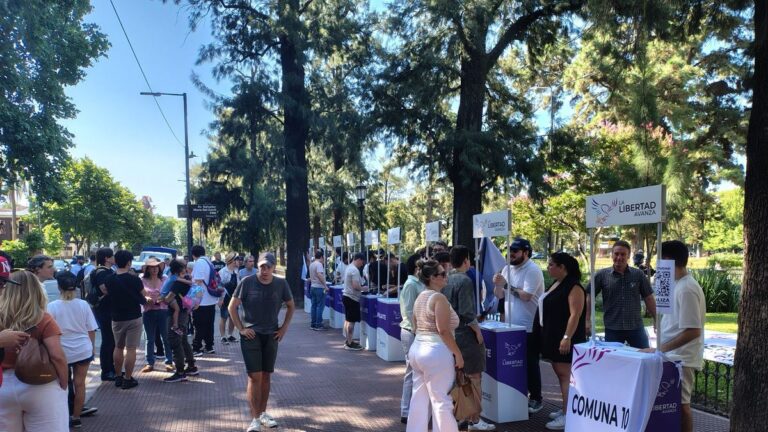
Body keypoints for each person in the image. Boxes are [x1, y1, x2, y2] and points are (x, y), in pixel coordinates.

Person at [228, 252, 295, 432]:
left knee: (266, 375)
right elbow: (232, 307)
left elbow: (291, 305)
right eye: (262, 267)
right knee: (254, 376)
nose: (265, 271)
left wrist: (283, 328)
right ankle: (255, 418)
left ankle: (263, 413)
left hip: (271, 335)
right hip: (251, 336)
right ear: (257, 267)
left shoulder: (281, 283)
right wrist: (241, 329)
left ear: (273, 267)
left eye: (268, 267)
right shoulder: (247, 282)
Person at [644, 240, 705, 432]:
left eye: (659, 258)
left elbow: (693, 331)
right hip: (671, 356)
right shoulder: (676, 283)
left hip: (682, 359)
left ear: (668, 260)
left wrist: (660, 349)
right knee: (671, 404)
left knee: (682, 405)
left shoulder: (687, 289)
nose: (656, 263)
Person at [0, 270, 69, 431]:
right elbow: (57, 355)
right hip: (40, 382)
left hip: (3, 384)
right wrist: (63, 383)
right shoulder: (43, 318)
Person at [406, 259, 463, 432]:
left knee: (419, 398)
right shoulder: (439, 298)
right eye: (443, 274)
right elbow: (443, 330)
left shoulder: (420, 297)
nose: (447, 276)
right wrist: (458, 354)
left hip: (417, 349)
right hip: (435, 352)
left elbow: (415, 326)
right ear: (432, 278)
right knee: (441, 401)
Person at [442, 245, 494, 431]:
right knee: (474, 376)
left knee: (459, 377)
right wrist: (477, 331)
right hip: (465, 335)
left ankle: (462, 415)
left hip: (452, 336)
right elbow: (466, 312)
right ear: (466, 261)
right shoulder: (464, 281)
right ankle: (475, 418)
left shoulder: (446, 280)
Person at [532, 253, 586, 430]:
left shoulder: (574, 286)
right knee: (560, 372)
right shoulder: (557, 283)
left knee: (565, 375)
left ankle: (568, 415)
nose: (548, 268)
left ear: (562, 267)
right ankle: (566, 409)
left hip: (565, 337)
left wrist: (566, 337)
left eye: (551, 265)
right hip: (551, 335)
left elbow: (575, 314)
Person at [492, 237, 545, 413]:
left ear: (526, 252)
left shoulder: (532, 270)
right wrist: (498, 285)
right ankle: (518, 395)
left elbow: (527, 296)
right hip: (509, 324)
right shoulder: (507, 268)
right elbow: (500, 295)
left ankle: (536, 398)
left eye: (515, 251)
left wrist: (507, 285)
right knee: (513, 361)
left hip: (528, 325)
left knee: (530, 362)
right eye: (510, 251)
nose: (511, 254)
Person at [47, 271, 100, 429]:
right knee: (80, 384)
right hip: (83, 349)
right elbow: (91, 329)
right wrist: (91, 349)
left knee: (62, 384)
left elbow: (50, 331)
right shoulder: (83, 305)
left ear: (59, 287)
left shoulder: (52, 307)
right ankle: (76, 417)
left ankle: (62, 416)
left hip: (62, 351)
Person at [586, 240, 657, 348]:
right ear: (612, 255)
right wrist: (587, 320)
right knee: (613, 362)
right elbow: (589, 297)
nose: (619, 257)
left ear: (629, 256)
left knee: (644, 357)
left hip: (635, 327)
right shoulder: (602, 275)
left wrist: (656, 318)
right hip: (612, 328)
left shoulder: (638, 275)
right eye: (616, 254)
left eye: (623, 254)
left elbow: (649, 298)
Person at [106, 250, 146, 390]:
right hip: (133, 316)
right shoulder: (134, 279)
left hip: (116, 317)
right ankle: (128, 379)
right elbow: (144, 295)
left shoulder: (109, 279)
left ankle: (118, 376)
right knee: (131, 349)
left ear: (115, 262)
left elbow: (107, 293)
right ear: (129, 262)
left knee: (118, 347)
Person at [398, 253, 425, 424]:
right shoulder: (410, 285)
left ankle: (411, 410)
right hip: (411, 332)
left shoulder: (416, 283)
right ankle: (406, 411)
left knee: (415, 372)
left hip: (415, 332)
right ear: (416, 268)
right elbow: (409, 311)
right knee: (411, 372)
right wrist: (417, 331)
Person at [163, 259, 199, 382]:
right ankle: (191, 366)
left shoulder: (177, 282)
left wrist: (160, 299)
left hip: (175, 315)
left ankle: (180, 371)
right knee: (183, 340)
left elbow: (168, 299)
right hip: (185, 313)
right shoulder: (187, 281)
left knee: (174, 340)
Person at [140, 258, 173, 372]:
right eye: (151, 267)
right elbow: (138, 293)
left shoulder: (164, 278)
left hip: (163, 311)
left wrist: (163, 298)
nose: (154, 269)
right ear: (147, 269)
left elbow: (170, 293)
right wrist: (145, 298)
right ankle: (149, 362)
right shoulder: (141, 279)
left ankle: (169, 361)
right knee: (149, 339)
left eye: (156, 267)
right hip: (148, 311)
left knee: (166, 337)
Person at [90, 248, 117, 381]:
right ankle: (106, 370)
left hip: (107, 309)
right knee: (108, 340)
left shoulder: (107, 271)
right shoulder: (102, 272)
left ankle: (111, 368)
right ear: (107, 258)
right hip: (104, 309)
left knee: (111, 340)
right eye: (112, 256)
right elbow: (104, 289)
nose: (114, 258)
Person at [191, 245, 219, 356]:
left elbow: (198, 282)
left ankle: (197, 347)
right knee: (209, 324)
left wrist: (195, 301)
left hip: (202, 301)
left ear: (193, 254)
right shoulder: (209, 262)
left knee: (199, 324)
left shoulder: (199, 263)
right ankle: (209, 346)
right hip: (211, 299)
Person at [342, 253, 365, 350]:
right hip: (352, 298)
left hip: (347, 296)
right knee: (351, 322)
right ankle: (349, 343)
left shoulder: (348, 267)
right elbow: (355, 286)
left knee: (348, 320)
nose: (362, 264)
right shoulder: (354, 270)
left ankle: (348, 340)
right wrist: (364, 288)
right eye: (362, 262)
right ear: (359, 259)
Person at [218, 252, 240, 344]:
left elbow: (238, 284)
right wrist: (220, 299)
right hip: (225, 298)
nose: (239, 261)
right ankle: (223, 337)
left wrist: (239, 297)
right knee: (224, 317)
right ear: (232, 261)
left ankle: (230, 335)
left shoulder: (236, 271)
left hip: (234, 297)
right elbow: (219, 286)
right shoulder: (222, 271)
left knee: (233, 317)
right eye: (237, 259)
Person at [308, 249, 329, 331]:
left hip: (312, 287)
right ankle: (319, 324)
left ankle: (313, 324)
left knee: (313, 306)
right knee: (320, 306)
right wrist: (325, 285)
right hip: (319, 288)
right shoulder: (319, 264)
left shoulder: (312, 264)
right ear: (321, 257)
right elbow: (319, 275)